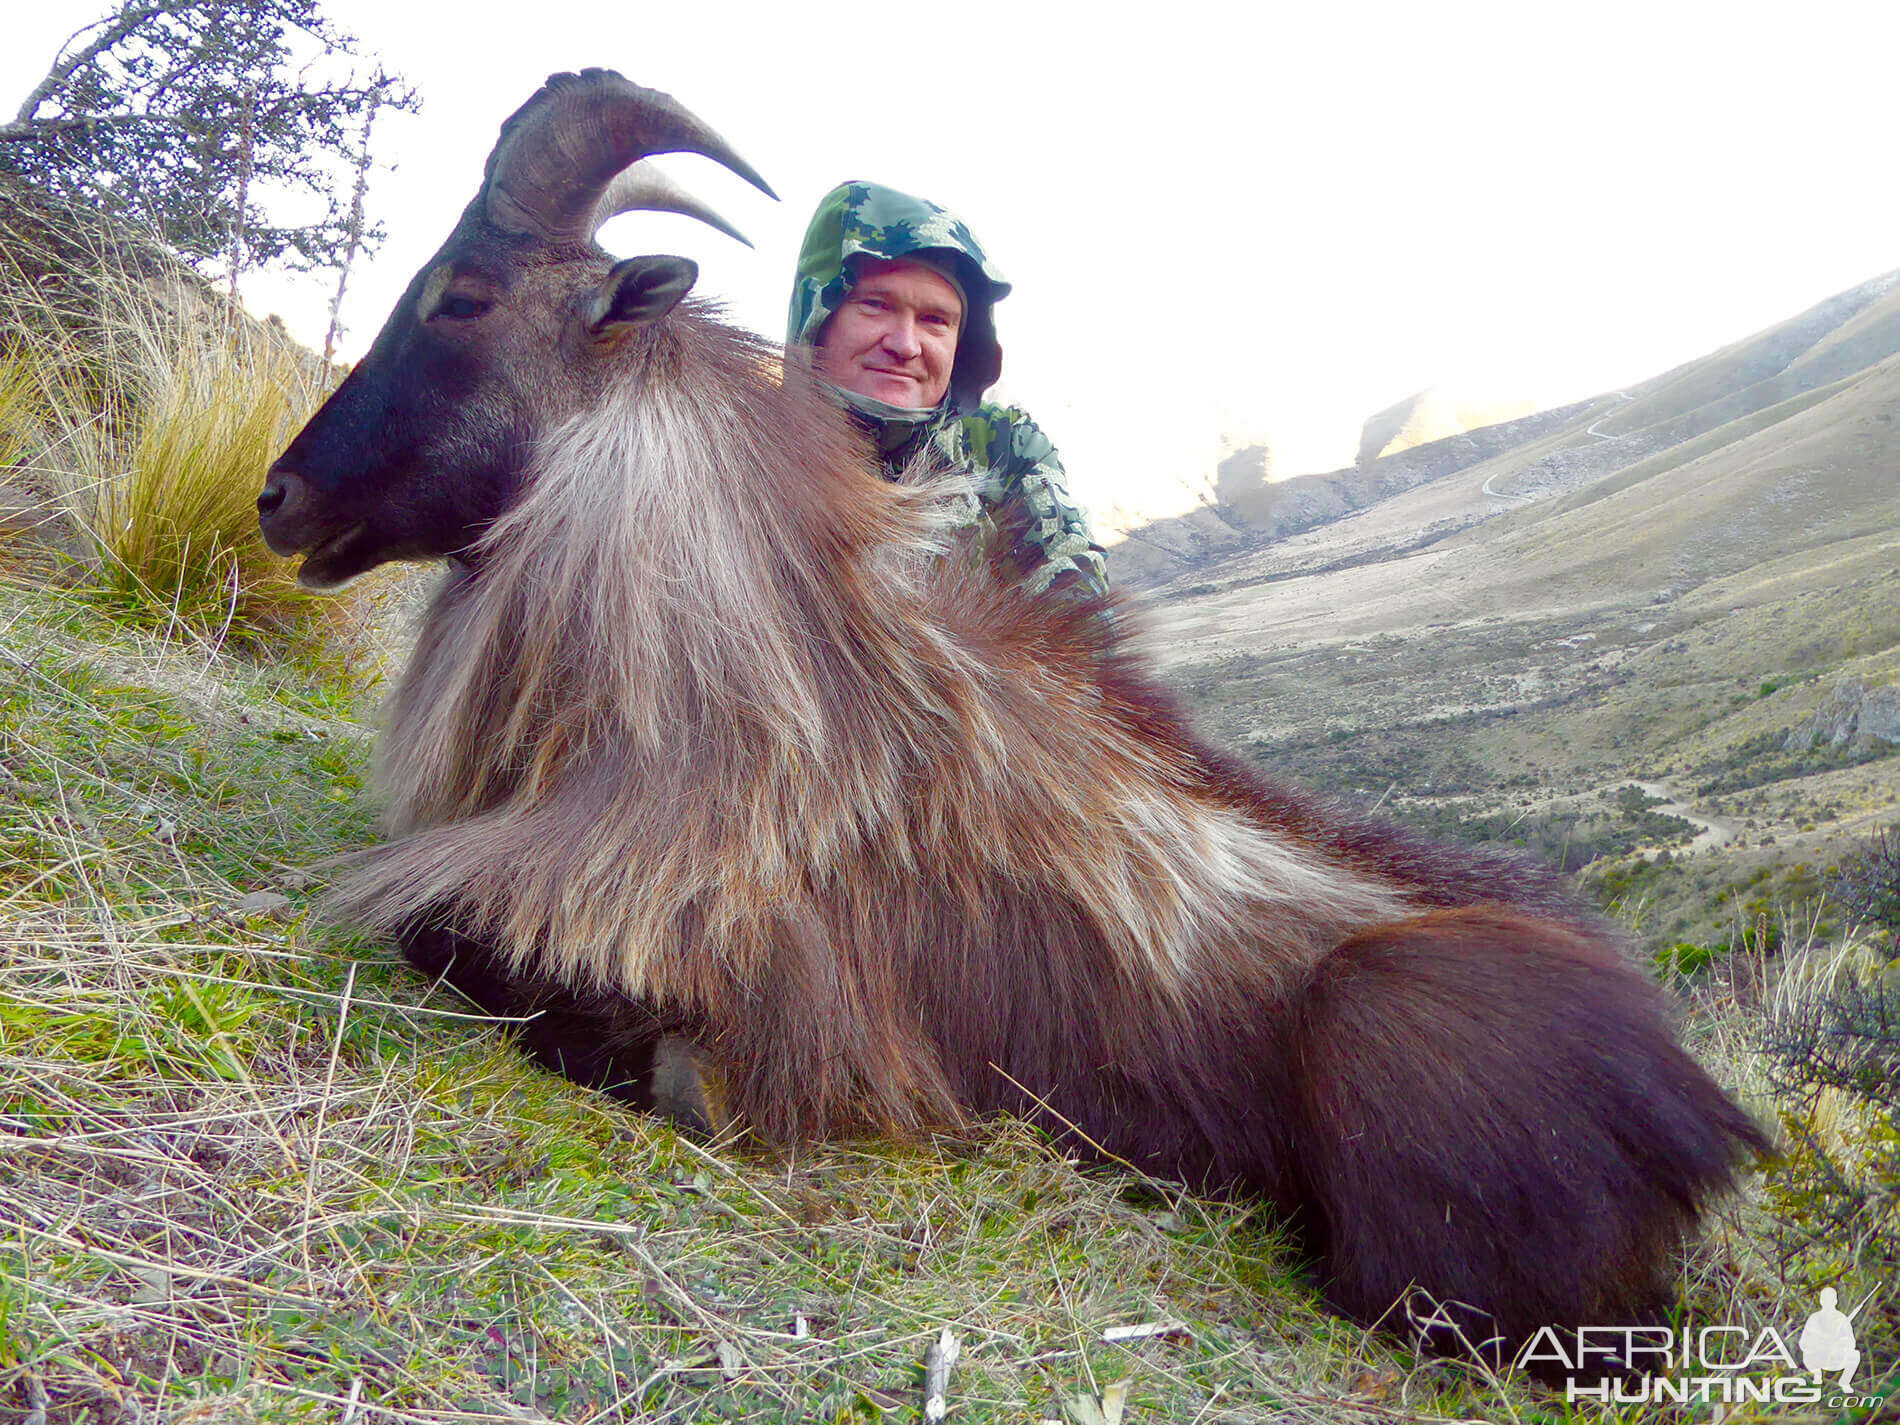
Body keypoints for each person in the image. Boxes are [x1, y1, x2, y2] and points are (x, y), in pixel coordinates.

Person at [787, 180, 1108, 598]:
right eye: (876, 305)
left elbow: (1079, 618)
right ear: (819, 317)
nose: (905, 345)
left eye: (935, 320)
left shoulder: (1002, 448)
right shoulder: (734, 457)